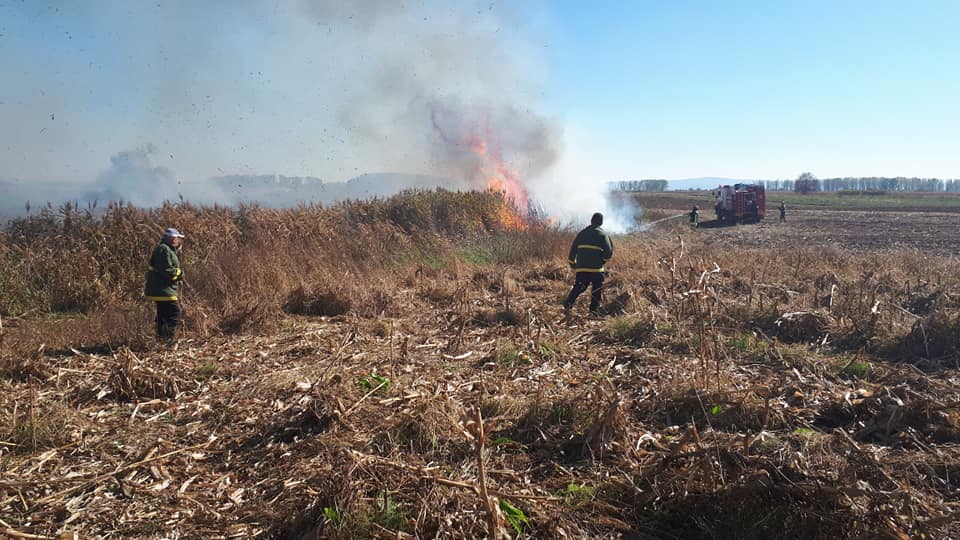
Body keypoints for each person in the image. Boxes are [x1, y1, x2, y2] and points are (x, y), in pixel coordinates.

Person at [564, 212, 614, 314]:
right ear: (601, 223)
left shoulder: (582, 233)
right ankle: (593, 311)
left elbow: (573, 249)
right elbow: (608, 252)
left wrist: (572, 263)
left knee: (579, 287)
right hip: (597, 270)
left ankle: (568, 304)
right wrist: (602, 261)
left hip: (582, 268)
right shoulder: (603, 235)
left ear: (591, 221)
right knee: (596, 290)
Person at [144, 228, 185, 341]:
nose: (178, 241)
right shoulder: (164, 250)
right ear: (172, 239)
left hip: (162, 289)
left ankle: (160, 339)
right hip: (163, 290)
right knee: (175, 314)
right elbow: (167, 271)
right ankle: (167, 338)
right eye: (177, 238)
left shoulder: (166, 249)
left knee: (163, 315)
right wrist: (180, 274)